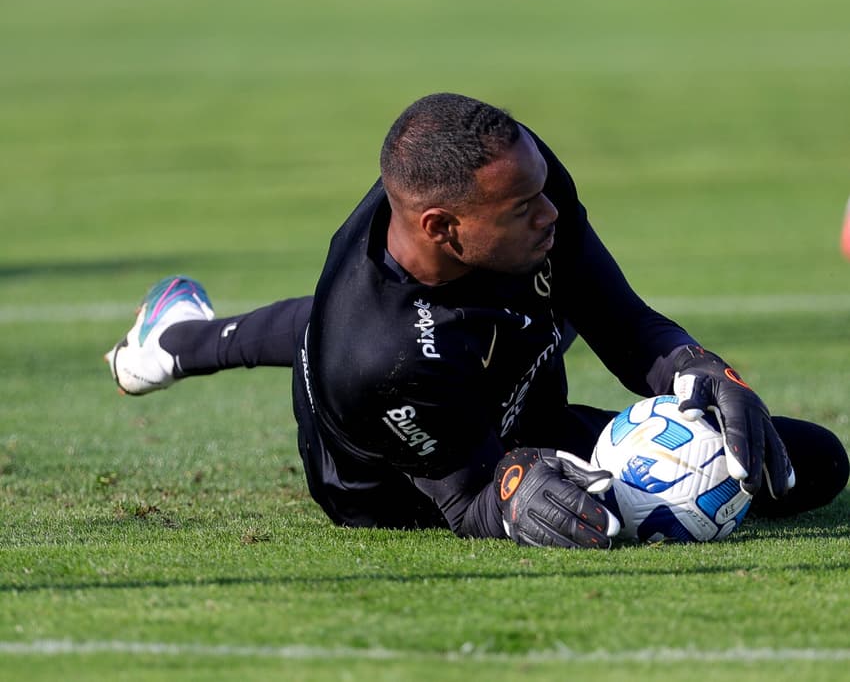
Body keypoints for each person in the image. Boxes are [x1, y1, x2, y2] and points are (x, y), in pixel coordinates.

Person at [105, 93, 848, 548]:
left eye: (540, 188)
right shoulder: (376, 357)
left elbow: (619, 320)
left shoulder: (519, 178)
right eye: (524, 208)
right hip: (402, 478)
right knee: (375, 342)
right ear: (444, 228)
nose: (552, 210)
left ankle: (176, 338)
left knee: (811, 462)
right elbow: (463, 493)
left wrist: (700, 367)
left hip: (498, 376)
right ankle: (179, 339)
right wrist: (514, 492)